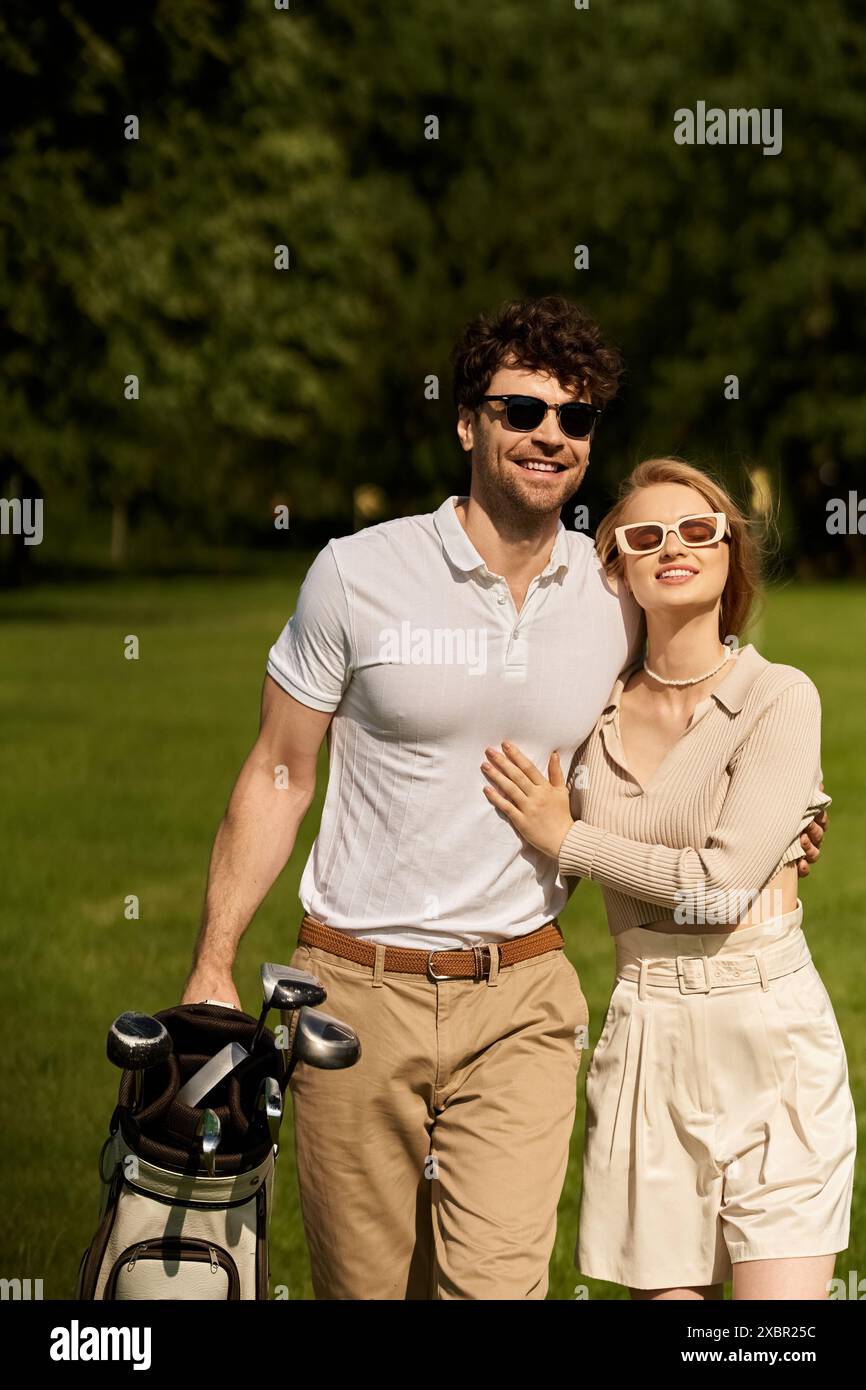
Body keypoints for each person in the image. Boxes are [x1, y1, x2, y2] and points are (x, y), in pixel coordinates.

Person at [182, 297, 826, 1299]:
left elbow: (685, 710)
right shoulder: (356, 575)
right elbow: (278, 769)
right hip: (356, 986)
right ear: (466, 420)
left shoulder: (608, 592)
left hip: (521, 996)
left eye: (573, 420)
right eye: (521, 410)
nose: (549, 436)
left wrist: (774, 817)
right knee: (362, 1290)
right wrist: (212, 963)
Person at [481, 457, 855, 1301]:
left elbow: (720, 891)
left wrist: (569, 839)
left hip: (771, 1033)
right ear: (615, 567)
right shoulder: (585, 718)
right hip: (645, 1031)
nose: (673, 547)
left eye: (697, 530)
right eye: (644, 536)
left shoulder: (780, 698)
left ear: (730, 553)